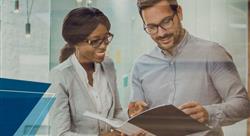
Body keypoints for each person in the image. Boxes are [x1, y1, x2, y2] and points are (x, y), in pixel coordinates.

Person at [128, 0, 250, 135]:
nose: (161, 33)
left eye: (166, 22)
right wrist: (135, 113)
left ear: (179, 13)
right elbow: (137, 113)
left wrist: (208, 114)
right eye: (151, 27)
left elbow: (243, 105)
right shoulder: (141, 65)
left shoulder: (213, 53)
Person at [48, 7, 127, 136]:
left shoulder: (108, 65)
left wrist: (131, 115)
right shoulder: (60, 76)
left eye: (106, 38)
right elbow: (60, 133)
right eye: (95, 41)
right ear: (75, 42)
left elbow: (116, 112)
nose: (103, 45)